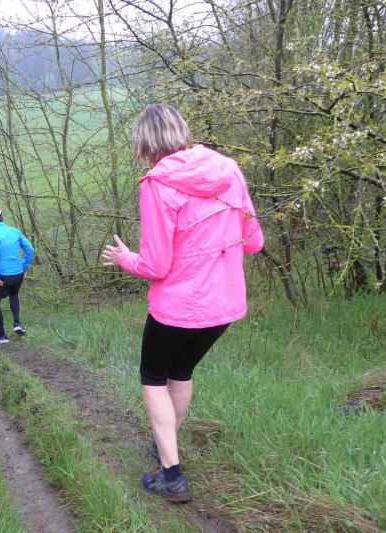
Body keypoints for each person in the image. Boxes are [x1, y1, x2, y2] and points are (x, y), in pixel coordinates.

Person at [101, 104, 264, 503]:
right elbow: (254, 242)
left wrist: (124, 258)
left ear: (145, 144)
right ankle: (166, 444)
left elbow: (156, 265)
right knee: (181, 371)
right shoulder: (229, 170)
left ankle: (171, 476)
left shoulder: (156, 184)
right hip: (224, 307)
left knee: (154, 378)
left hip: (176, 309)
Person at [0, 208, 34, 344]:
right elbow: (30, 250)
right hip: (18, 273)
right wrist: (24, 267)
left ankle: (2, 336)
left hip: (3, 275)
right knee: (14, 295)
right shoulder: (15, 231)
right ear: (3, 219)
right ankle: (17, 323)